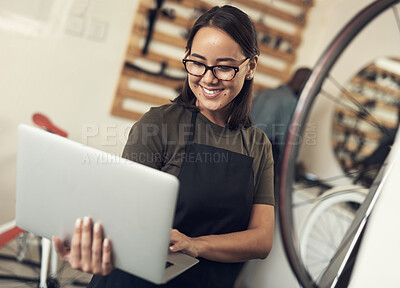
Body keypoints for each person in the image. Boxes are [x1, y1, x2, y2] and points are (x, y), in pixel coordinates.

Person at [53, 5, 275, 288]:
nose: (208, 77)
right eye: (197, 62)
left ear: (251, 66)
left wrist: (195, 245)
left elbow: (261, 239)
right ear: (186, 58)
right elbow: (122, 219)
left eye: (223, 67)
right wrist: (93, 247)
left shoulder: (258, 145)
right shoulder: (158, 124)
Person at [250, 68, 311, 176]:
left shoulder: (264, 93)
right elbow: (287, 141)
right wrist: (291, 166)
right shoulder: (291, 101)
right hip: (265, 155)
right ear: (303, 83)